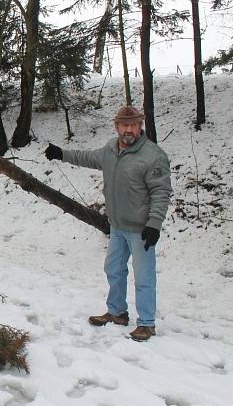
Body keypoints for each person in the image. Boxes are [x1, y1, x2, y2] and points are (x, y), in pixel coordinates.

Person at [45, 106, 172, 341]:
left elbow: (161, 192)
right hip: (117, 226)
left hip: (141, 229)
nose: (129, 130)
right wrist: (61, 153)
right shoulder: (110, 150)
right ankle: (117, 313)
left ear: (140, 126)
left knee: (143, 277)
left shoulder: (153, 156)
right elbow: (87, 157)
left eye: (134, 125)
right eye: (125, 125)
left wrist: (154, 224)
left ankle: (146, 323)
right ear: (116, 127)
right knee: (113, 269)